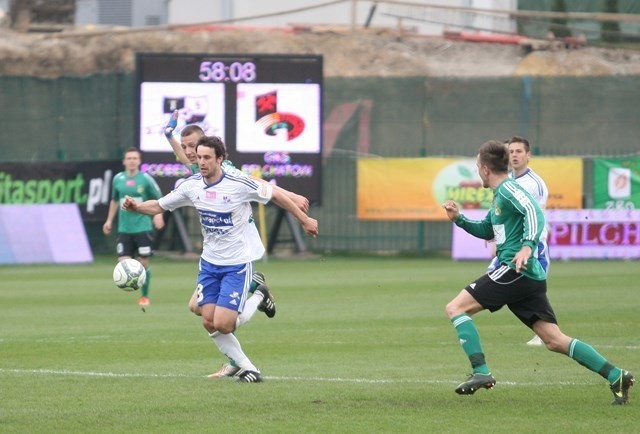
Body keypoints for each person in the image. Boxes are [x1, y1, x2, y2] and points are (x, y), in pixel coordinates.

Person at [441, 139, 634, 404]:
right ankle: (616, 375)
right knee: (553, 340)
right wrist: (459, 219)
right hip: (527, 277)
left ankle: (481, 372)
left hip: (515, 269)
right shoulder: (500, 195)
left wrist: (528, 247)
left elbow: (535, 212)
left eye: (477, 166)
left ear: (485, 169)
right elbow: (488, 230)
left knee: (456, 308)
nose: (477, 171)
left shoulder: (510, 189)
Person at [122, 135, 318, 383]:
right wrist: (137, 207)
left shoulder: (238, 183)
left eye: (206, 157)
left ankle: (259, 295)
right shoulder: (192, 185)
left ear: (220, 159)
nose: (200, 162)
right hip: (209, 263)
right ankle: (249, 369)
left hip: (237, 263)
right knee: (207, 320)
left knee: (225, 324)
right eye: (199, 157)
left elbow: (276, 196)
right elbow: (159, 205)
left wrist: (304, 219)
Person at [164, 112, 310, 378]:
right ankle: (236, 359)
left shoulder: (225, 170)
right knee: (197, 308)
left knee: (220, 319)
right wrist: (169, 136)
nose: (189, 153)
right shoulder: (199, 170)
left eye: (193, 147)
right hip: (216, 254)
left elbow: (262, 185)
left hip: (239, 246)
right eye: (186, 148)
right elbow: (183, 158)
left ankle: (257, 295)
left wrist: (292, 195)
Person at [487, 136, 550, 346]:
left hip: (532, 246)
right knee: (495, 278)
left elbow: (531, 216)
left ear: (528, 155)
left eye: (518, 151)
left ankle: (545, 333)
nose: (513, 155)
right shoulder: (509, 181)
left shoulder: (533, 183)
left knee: (532, 291)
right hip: (512, 245)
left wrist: (527, 245)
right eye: (510, 151)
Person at [103, 147, 165, 311]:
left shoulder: (145, 179)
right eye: (129, 158)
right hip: (124, 228)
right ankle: (130, 282)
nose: (131, 161)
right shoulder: (118, 179)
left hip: (142, 227)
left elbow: (159, 197)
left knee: (143, 263)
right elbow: (114, 200)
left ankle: (144, 296)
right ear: (124, 161)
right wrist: (109, 220)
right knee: (123, 262)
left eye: (135, 158)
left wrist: (158, 215)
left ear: (139, 161)